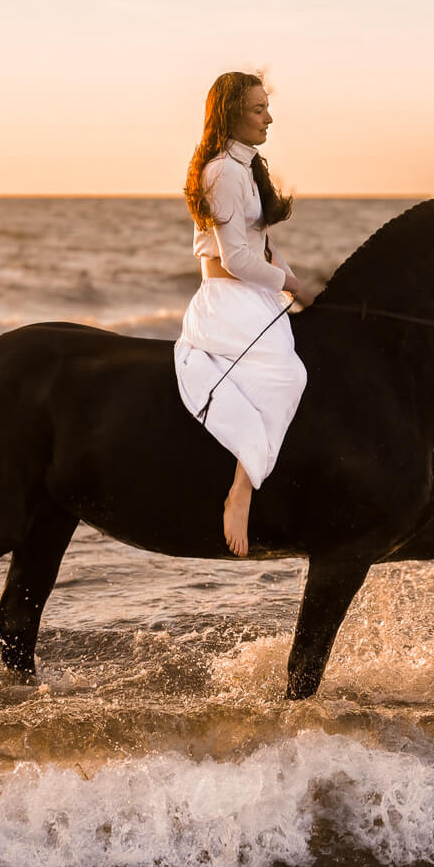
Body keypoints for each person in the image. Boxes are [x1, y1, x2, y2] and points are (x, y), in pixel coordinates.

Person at [173, 72, 321, 557]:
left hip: (254, 296)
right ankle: (241, 490)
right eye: (259, 109)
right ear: (232, 113)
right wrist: (293, 285)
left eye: (266, 108)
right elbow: (235, 260)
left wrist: (300, 287)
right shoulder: (222, 171)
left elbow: (262, 248)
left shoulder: (247, 167)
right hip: (227, 301)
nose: (269, 118)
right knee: (287, 379)